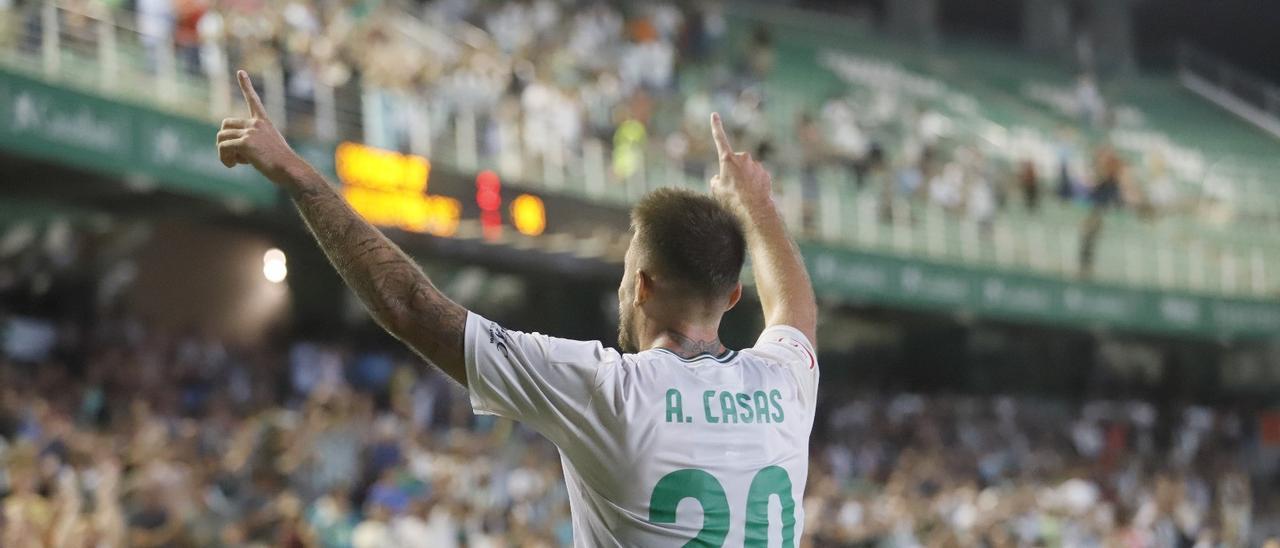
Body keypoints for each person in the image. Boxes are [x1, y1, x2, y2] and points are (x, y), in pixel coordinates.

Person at [217, 71, 819, 545]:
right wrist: (757, 205)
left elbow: (410, 307)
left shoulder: (606, 389)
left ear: (641, 285)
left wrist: (301, 177)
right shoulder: (787, 384)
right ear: (733, 297)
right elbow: (794, 306)